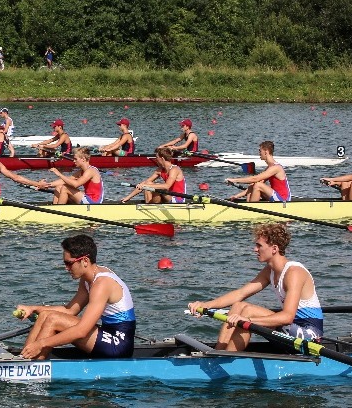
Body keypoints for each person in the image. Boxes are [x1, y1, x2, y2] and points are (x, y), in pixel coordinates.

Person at [187, 224, 322, 351]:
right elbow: (240, 293)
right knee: (238, 306)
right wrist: (207, 305)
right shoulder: (270, 270)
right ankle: (218, 353)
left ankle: (228, 361)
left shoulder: (294, 273)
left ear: (274, 249)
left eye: (259, 245)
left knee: (249, 311)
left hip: (309, 338)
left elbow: (287, 317)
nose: (255, 249)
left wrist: (249, 321)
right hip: (290, 330)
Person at [15, 235, 137, 359]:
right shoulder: (87, 279)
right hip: (107, 335)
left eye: (69, 263)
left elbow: (82, 330)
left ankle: (31, 365)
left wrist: (41, 344)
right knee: (45, 315)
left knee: (53, 319)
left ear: (84, 261)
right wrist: (32, 308)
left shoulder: (102, 283)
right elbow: (70, 310)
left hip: (119, 344)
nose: (66, 268)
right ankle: (25, 359)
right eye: (65, 263)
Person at [120, 148, 186, 203]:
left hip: (178, 199)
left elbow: (167, 186)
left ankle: (152, 207)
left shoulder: (174, 169)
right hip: (168, 196)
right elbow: (145, 183)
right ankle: (149, 206)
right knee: (148, 184)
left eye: (157, 157)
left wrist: (146, 186)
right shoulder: (160, 170)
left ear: (162, 159)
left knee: (151, 186)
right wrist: (128, 197)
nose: (156, 159)